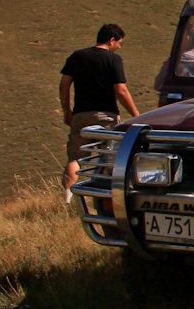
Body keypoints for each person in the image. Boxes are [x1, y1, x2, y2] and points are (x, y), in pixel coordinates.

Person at [60, 23, 140, 195]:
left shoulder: (77, 56)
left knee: (75, 158)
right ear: (111, 40)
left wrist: (67, 111)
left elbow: (64, 84)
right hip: (106, 116)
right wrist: (136, 115)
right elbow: (120, 90)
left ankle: (66, 197)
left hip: (80, 115)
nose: (119, 47)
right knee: (109, 157)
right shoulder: (113, 59)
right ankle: (105, 195)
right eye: (119, 43)